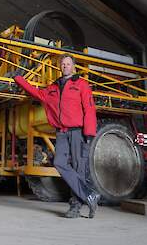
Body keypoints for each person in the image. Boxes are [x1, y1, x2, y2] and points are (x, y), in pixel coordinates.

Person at [14, 54, 100, 218]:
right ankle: (90, 195)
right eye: (63, 64)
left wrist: (88, 134)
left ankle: (75, 207)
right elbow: (36, 93)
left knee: (78, 168)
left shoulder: (81, 84)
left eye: (68, 64)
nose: (65, 66)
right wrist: (19, 79)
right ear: (60, 67)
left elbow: (89, 109)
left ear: (73, 67)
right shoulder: (52, 88)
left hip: (77, 132)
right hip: (61, 132)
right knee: (59, 162)